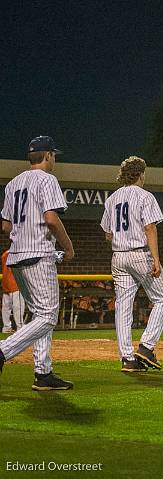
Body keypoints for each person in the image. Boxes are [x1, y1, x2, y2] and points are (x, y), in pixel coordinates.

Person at [0, 136, 75, 390]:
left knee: (39, 314)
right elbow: (52, 219)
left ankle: (43, 373)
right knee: (48, 316)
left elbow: (6, 225)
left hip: (17, 255)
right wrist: (68, 246)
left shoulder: (13, 184)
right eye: (54, 155)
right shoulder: (47, 179)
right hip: (38, 254)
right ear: (48, 155)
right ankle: (3, 351)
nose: (54, 159)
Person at [101, 156, 163, 372]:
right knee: (162, 299)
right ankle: (147, 347)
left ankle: (127, 359)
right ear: (141, 174)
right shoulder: (145, 196)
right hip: (140, 254)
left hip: (118, 256)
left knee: (123, 306)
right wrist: (156, 258)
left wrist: (122, 242)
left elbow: (107, 234)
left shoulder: (112, 198)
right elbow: (150, 228)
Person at [2, 249, 25, 333]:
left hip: (5, 284)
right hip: (16, 283)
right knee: (18, 307)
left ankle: (6, 327)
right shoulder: (18, 253)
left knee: (6, 308)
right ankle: (20, 327)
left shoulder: (5, 254)